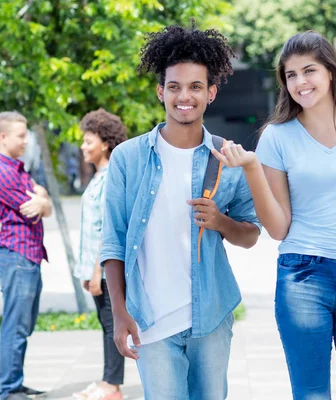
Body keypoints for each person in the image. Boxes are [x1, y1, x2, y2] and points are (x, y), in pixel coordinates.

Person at [212, 31, 336, 399]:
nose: (300, 82)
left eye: (309, 71)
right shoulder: (277, 137)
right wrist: (252, 168)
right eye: (291, 75)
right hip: (304, 275)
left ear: (331, 72)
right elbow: (279, 228)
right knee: (312, 394)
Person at [99, 23, 260, 399]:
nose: (183, 96)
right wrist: (120, 313)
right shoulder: (128, 158)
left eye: (195, 87)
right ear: (161, 92)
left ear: (211, 93)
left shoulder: (226, 157)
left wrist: (220, 221)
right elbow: (113, 242)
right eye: (174, 87)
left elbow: (251, 235)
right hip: (150, 321)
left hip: (211, 317)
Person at [0, 111, 53, 400]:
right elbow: (36, 206)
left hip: (27, 256)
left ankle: (16, 383)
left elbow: (44, 208)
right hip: (15, 256)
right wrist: (40, 198)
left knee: (22, 327)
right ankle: (9, 389)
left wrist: (42, 199)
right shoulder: (2, 174)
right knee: (15, 327)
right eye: (21, 136)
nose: (26, 141)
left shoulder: (18, 170)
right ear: (3, 137)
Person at [73, 109, 128, 400]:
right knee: (106, 325)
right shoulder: (97, 178)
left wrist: (96, 272)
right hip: (96, 270)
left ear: (105, 143)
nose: (83, 146)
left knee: (111, 326)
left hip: (106, 271)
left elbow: (108, 229)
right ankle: (108, 380)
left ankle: (112, 386)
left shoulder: (110, 179)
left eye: (88, 140)